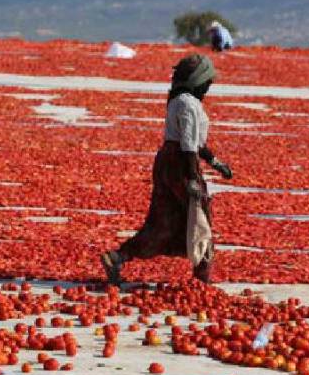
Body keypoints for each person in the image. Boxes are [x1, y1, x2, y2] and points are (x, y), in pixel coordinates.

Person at [100, 54, 233, 285]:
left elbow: (196, 144)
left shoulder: (179, 100)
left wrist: (215, 162)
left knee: (163, 220)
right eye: (207, 83)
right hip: (180, 163)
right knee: (200, 215)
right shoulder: (188, 104)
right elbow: (189, 145)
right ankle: (202, 277)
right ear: (197, 81)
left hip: (168, 162)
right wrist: (192, 178)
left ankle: (118, 257)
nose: (208, 87)